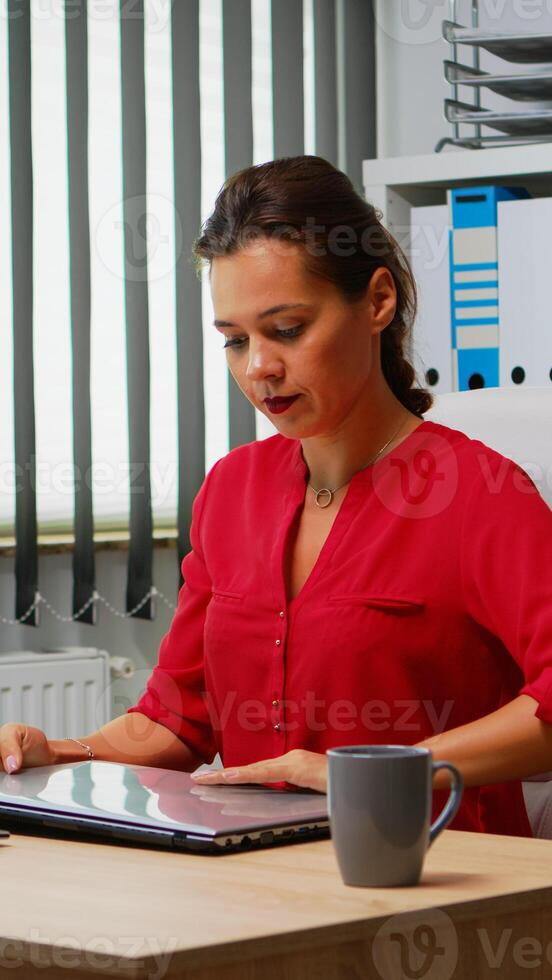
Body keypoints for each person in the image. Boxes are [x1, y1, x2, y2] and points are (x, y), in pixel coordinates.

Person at [1, 156, 551, 837]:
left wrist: (383, 767)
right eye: (235, 341)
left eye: (286, 330)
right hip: (264, 876)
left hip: (441, 887)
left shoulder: (480, 494)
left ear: (378, 301)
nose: (259, 367)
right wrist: (61, 751)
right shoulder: (233, 490)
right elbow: (180, 715)